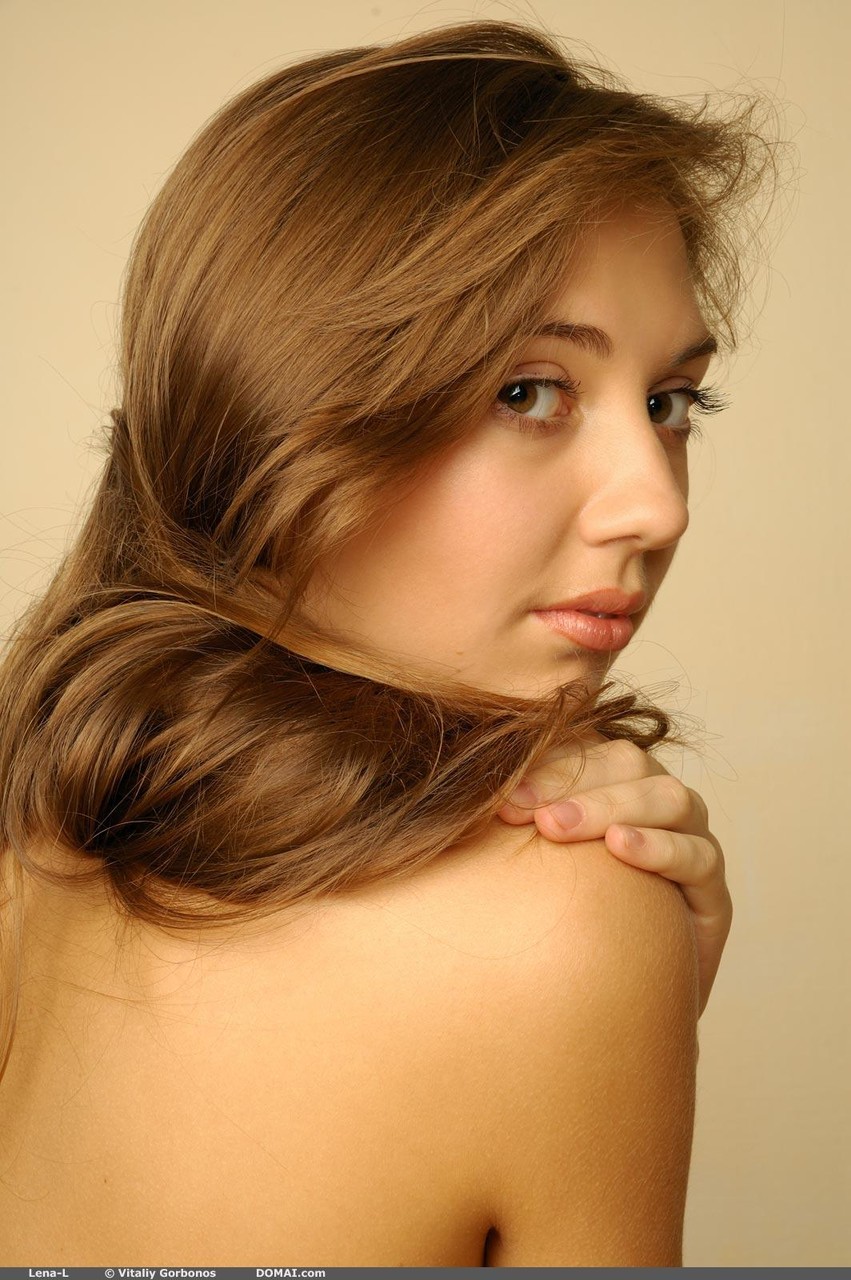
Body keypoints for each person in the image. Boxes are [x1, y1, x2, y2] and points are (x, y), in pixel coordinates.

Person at [0, 19, 775, 1266]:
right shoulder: (571, 918)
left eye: (670, 401)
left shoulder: (49, 825)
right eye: (527, 391)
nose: (655, 505)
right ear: (283, 410)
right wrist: (615, 980)